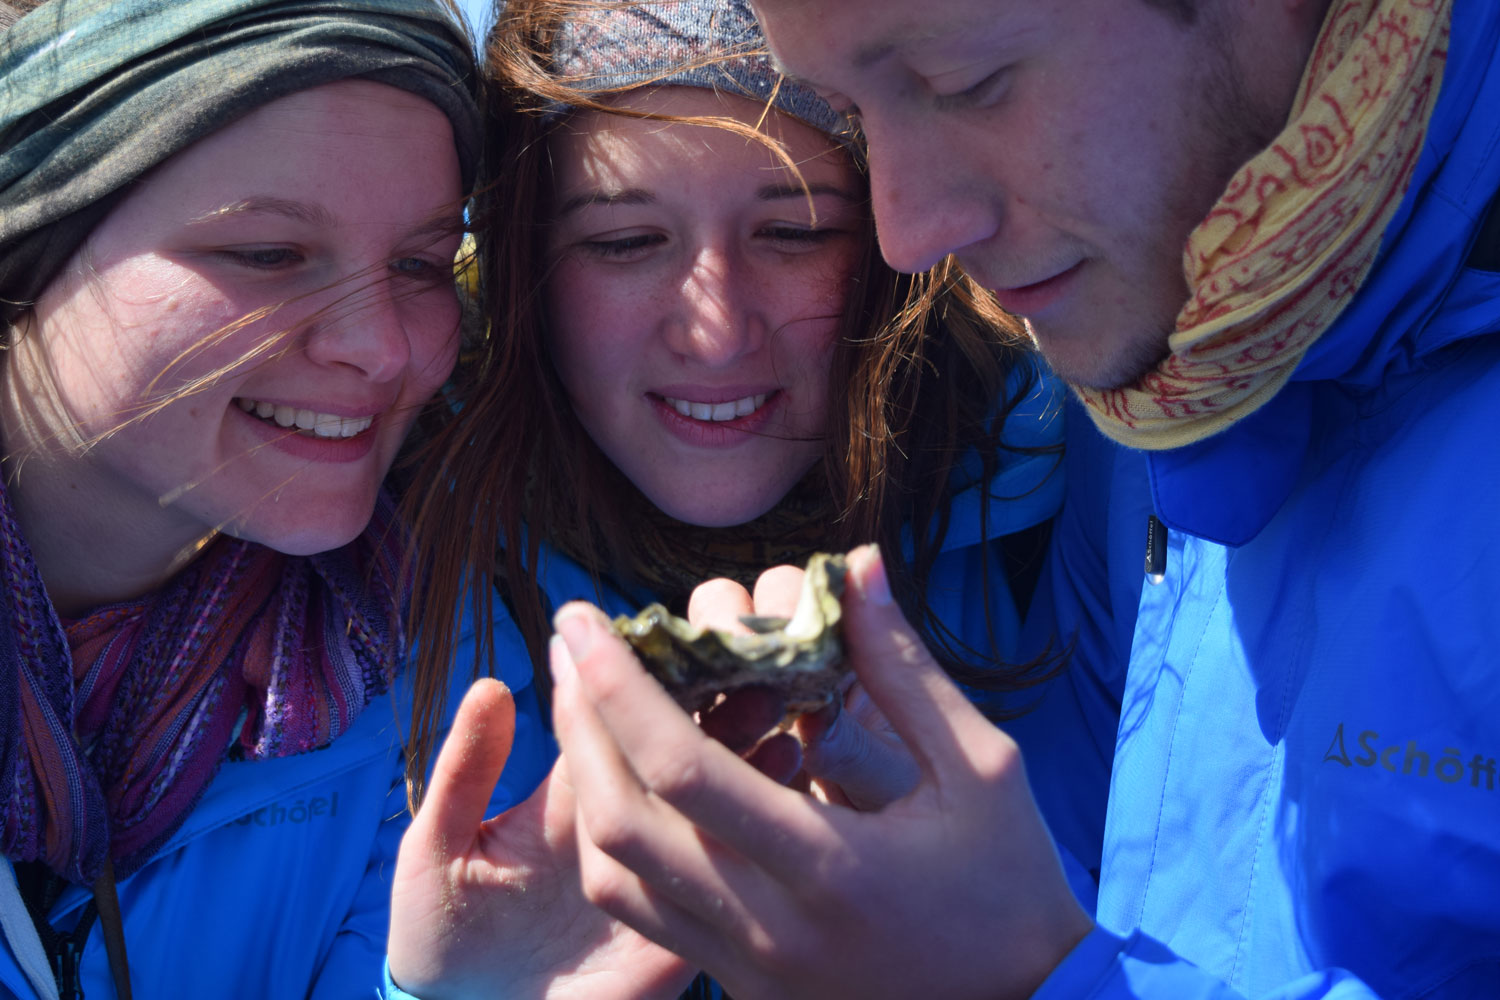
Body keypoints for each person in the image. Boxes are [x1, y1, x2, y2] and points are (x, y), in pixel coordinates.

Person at [540, 0, 1500, 997]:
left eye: (967, 83)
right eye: (858, 116)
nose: (906, 234)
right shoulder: (1178, 370)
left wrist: (1015, 981)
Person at [386, 1, 1080, 996]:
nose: (715, 332)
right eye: (626, 242)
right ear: (522, 270)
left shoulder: (1076, 520)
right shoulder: (388, 596)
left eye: (795, 231)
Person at [0, 1, 551, 996]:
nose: (383, 349)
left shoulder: (447, 681)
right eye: (268, 254)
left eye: (421, 263)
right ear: (31, 239)